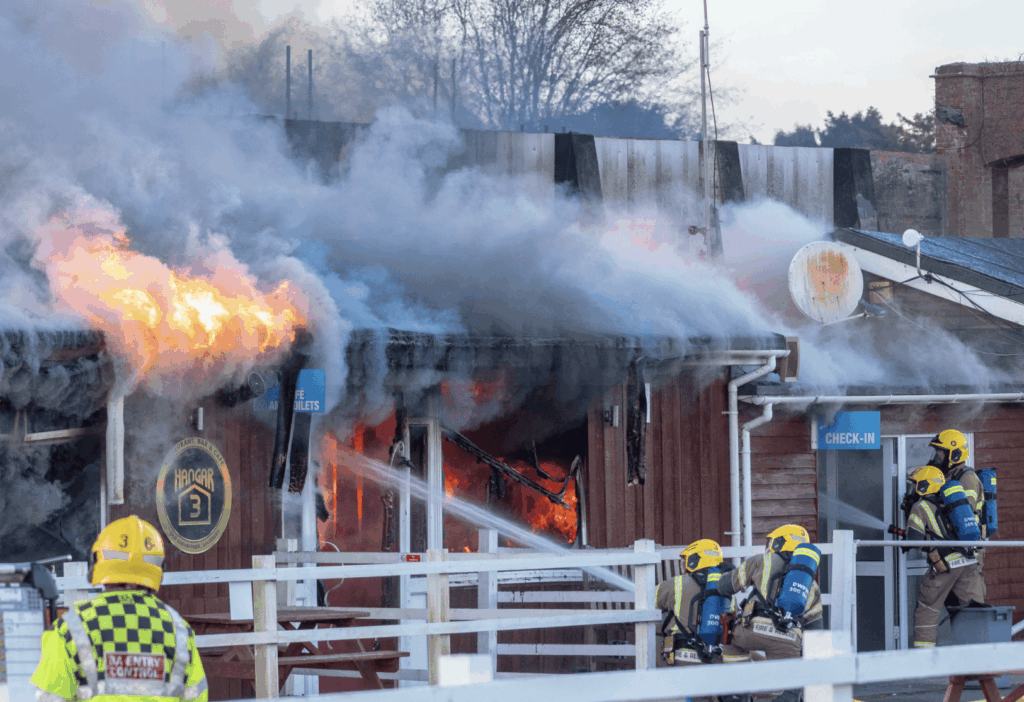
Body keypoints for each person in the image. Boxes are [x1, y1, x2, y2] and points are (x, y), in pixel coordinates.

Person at [32, 515, 208, 701]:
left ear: (98, 562)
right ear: (159, 568)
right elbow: (197, 696)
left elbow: (50, 698)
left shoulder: (70, 628)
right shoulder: (179, 631)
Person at [716, 524, 823, 702]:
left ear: (780, 542)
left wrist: (726, 572)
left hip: (752, 630)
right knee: (790, 681)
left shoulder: (762, 561)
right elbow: (815, 632)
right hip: (789, 639)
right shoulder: (811, 584)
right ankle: (789, 695)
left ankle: (739, 692)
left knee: (728, 638)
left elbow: (724, 587)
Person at [901, 465, 985, 649]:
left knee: (927, 610)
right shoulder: (952, 504)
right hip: (968, 563)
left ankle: (924, 660)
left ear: (925, 485)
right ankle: (978, 661)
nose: (913, 488)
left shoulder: (920, 506)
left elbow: (913, 542)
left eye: (916, 484)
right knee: (973, 610)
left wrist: (906, 530)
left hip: (944, 566)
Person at [928, 429, 988, 595]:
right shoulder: (948, 478)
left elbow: (964, 513)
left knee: (969, 600)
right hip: (952, 546)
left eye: (940, 452)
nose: (936, 456)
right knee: (952, 601)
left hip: (967, 546)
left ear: (953, 455)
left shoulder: (966, 478)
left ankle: (977, 621)